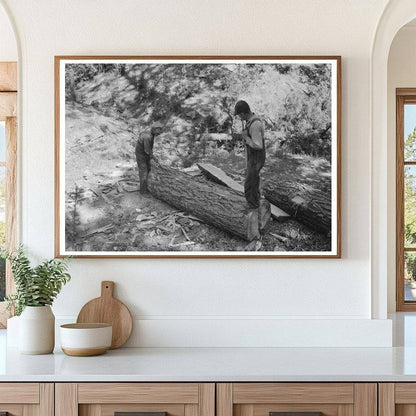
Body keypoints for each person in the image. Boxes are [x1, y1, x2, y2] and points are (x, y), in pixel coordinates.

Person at [234, 100, 266, 209]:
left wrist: (246, 138)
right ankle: (256, 204)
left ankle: (253, 207)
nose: (239, 117)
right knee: (253, 182)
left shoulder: (255, 125)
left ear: (243, 113)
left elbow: (258, 145)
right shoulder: (249, 122)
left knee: (250, 184)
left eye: (239, 115)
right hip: (252, 159)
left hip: (256, 159)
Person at [135, 121, 163, 193]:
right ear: (155, 129)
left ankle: (148, 185)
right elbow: (147, 150)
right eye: (159, 131)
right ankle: (143, 190)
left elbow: (149, 148)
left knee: (149, 168)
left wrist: (151, 156)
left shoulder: (151, 133)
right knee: (144, 171)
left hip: (145, 153)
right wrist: (153, 157)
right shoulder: (147, 136)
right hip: (141, 154)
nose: (159, 133)